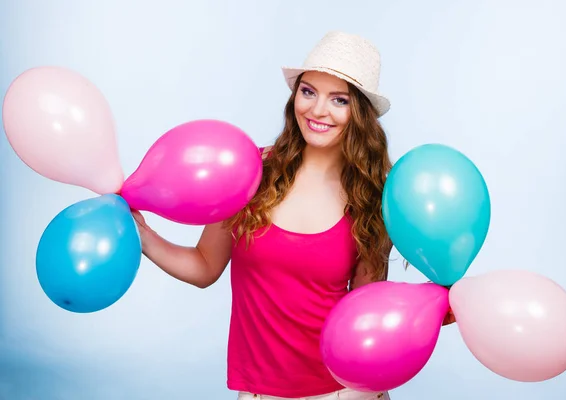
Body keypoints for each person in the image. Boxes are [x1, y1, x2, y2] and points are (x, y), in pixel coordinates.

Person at [132, 31, 453, 400]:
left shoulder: (371, 199)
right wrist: (144, 238)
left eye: (339, 99)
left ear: (359, 113)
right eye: (308, 91)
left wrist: (430, 305)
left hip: (345, 391)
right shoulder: (247, 173)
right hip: (260, 392)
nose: (317, 110)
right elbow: (205, 266)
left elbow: (365, 311)